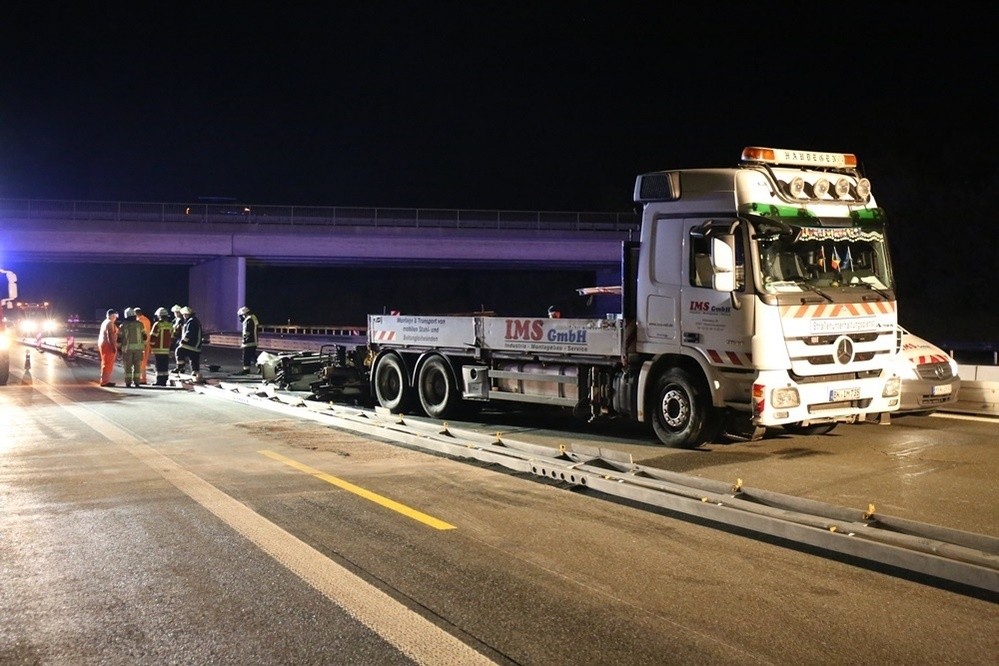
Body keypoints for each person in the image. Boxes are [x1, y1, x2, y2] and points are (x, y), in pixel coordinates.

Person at [117, 307, 147, 388]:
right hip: (138, 349)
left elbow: (119, 338)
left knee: (128, 366)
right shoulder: (140, 324)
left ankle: (128, 382)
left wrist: (119, 349)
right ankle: (137, 382)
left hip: (127, 349)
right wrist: (143, 346)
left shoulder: (123, 325)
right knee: (137, 366)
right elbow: (145, 336)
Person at [175, 305, 204, 382]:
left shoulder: (191, 322)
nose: (183, 316)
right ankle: (195, 373)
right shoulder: (194, 320)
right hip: (196, 345)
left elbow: (189, 333)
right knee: (194, 359)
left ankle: (180, 368)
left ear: (187, 314)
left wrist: (183, 341)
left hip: (191, 344)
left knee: (179, 350)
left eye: (184, 315)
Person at [149, 307, 175, 386]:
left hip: (158, 349)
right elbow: (172, 337)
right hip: (166, 349)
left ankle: (159, 381)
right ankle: (164, 380)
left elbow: (153, 337)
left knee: (159, 366)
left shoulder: (157, 324)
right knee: (165, 365)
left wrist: (151, 345)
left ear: (159, 316)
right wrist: (171, 348)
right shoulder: (170, 325)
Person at [97, 308, 119, 386]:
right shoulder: (109, 323)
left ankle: (105, 380)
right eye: (115, 316)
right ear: (112, 315)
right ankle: (104, 381)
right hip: (108, 345)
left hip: (103, 344)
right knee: (107, 363)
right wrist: (113, 347)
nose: (116, 318)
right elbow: (110, 335)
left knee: (106, 362)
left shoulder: (105, 322)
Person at [236, 305, 259, 374]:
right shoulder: (252, 318)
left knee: (246, 356)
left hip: (249, 341)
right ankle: (261, 367)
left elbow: (248, 331)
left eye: (241, 316)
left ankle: (246, 369)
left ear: (244, 314)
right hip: (252, 340)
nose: (240, 318)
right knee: (252, 355)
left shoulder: (249, 319)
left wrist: (245, 340)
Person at [134, 306, 152, 385]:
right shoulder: (147, 320)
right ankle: (143, 378)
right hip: (147, 343)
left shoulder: (139, 321)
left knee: (139, 362)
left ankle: (141, 379)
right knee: (143, 362)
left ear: (136, 314)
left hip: (141, 344)